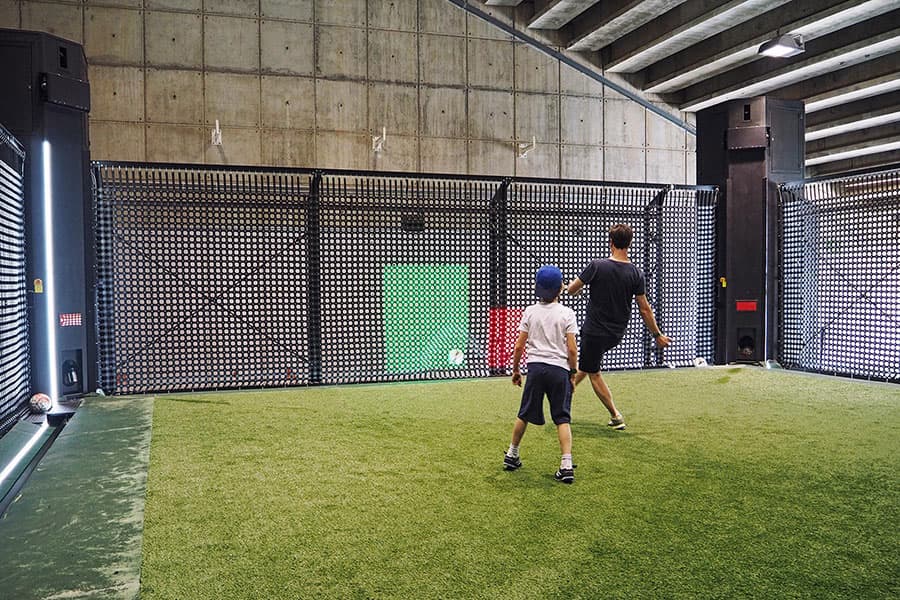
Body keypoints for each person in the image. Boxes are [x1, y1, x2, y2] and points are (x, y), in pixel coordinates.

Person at [566, 223, 671, 430]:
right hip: (615, 334)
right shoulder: (636, 273)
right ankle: (564, 396)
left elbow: (571, 290)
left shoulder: (596, 265)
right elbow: (645, 309)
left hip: (594, 332)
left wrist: (567, 287)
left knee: (593, 372)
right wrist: (657, 335)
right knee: (587, 366)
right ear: (629, 243)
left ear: (611, 242)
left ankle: (616, 416)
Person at [504, 265, 579, 484]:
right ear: (560, 289)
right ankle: (566, 465)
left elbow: (519, 346)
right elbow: (572, 349)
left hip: (535, 369)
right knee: (562, 418)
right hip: (559, 370)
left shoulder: (530, 311)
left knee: (524, 413)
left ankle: (512, 454)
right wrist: (572, 374)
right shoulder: (567, 314)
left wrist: (516, 370)